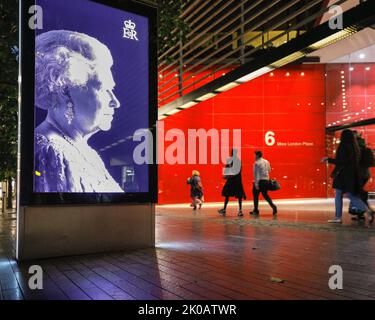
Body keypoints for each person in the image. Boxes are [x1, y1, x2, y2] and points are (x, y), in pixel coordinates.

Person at [34, 30, 123, 193]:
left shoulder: (83, 150)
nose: (115, 102)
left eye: (112, 89)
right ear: (65, 90)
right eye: (103, 89)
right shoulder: (52, 151)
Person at [322, 129, 374, 224]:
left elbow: (340, 161)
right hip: (352, 174)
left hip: (343, 174)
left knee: (338, 194)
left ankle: (338, 217)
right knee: (350, 194)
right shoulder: (355, 147)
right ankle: (367, 210)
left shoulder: (343, 146)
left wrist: (328, 159)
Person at [348, 131, 374, 220]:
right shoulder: (363, 146)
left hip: (359, 173)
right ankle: (361, 213)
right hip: (366, 173)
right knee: (359, 193)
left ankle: (366, 211)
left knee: (355, 194)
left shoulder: (355, 147)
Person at [218, 149, 246, 217]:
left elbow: (227, 169)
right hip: (237, 180)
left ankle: (224, 209)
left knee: (227, 194)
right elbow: (239, 171)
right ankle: (240, 210)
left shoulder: (229, 160)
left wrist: (226, 176)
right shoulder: (238, 161)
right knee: (239, 196)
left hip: (231, 180)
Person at [250, 151, 277, 216]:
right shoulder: (266, 161)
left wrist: (256, 184)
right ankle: (273, 206)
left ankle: (256, 210)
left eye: (255, 155)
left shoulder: (256, 163)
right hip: (266, 181)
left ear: (257, 155)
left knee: (255, 195)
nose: (254, 156)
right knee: (265, 195)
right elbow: (269, 170)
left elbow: (256, 174)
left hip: (259, 181)